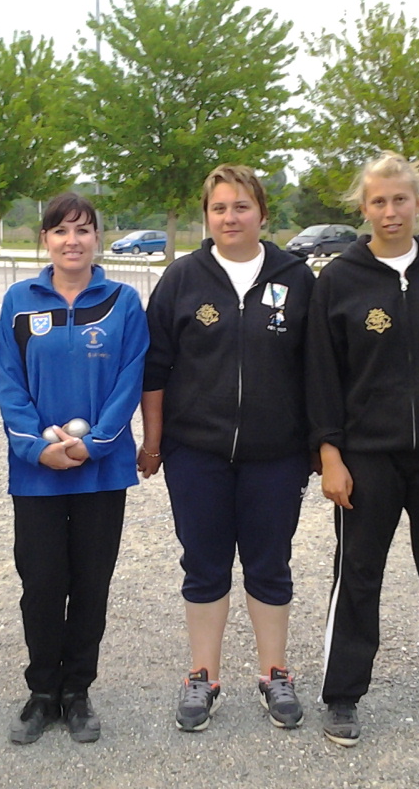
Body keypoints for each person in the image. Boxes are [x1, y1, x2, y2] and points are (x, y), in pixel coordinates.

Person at [305, 151, 419, 750]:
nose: (390, 211)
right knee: (357, 574)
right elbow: (323, 377)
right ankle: (343, 694)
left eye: (400, 200)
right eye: (378, 201)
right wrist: (330, 455)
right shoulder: (338, 280)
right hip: (367, 458)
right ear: (364, 207)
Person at [138, 164, 316, 733]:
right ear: (206, 216)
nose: (230, 217)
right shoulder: (182, 278)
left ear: (263, 213)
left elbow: (318, 371)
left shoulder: (298, 277)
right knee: (205, 564)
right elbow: (156, 369)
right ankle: (202, 676)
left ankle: (275, 673)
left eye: (241, 206)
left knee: (270, 564)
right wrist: (155, 442)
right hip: (198, 453)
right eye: (219, 208)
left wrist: (318, 446)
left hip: (276, 454)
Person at [0, 192, 148, 745]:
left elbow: (130, 377)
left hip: (99, 471)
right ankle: (42, 692)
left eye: (84, 230)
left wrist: (97, 444)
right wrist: (38, 446)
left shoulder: (123, 301)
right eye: (61, 231)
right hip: (37, 472)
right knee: (40, 583)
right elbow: (7, 381)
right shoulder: (17, 299)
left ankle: (77, 690)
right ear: (45, 240)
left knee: (89, 583)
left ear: (98, 240)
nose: (73, 240)